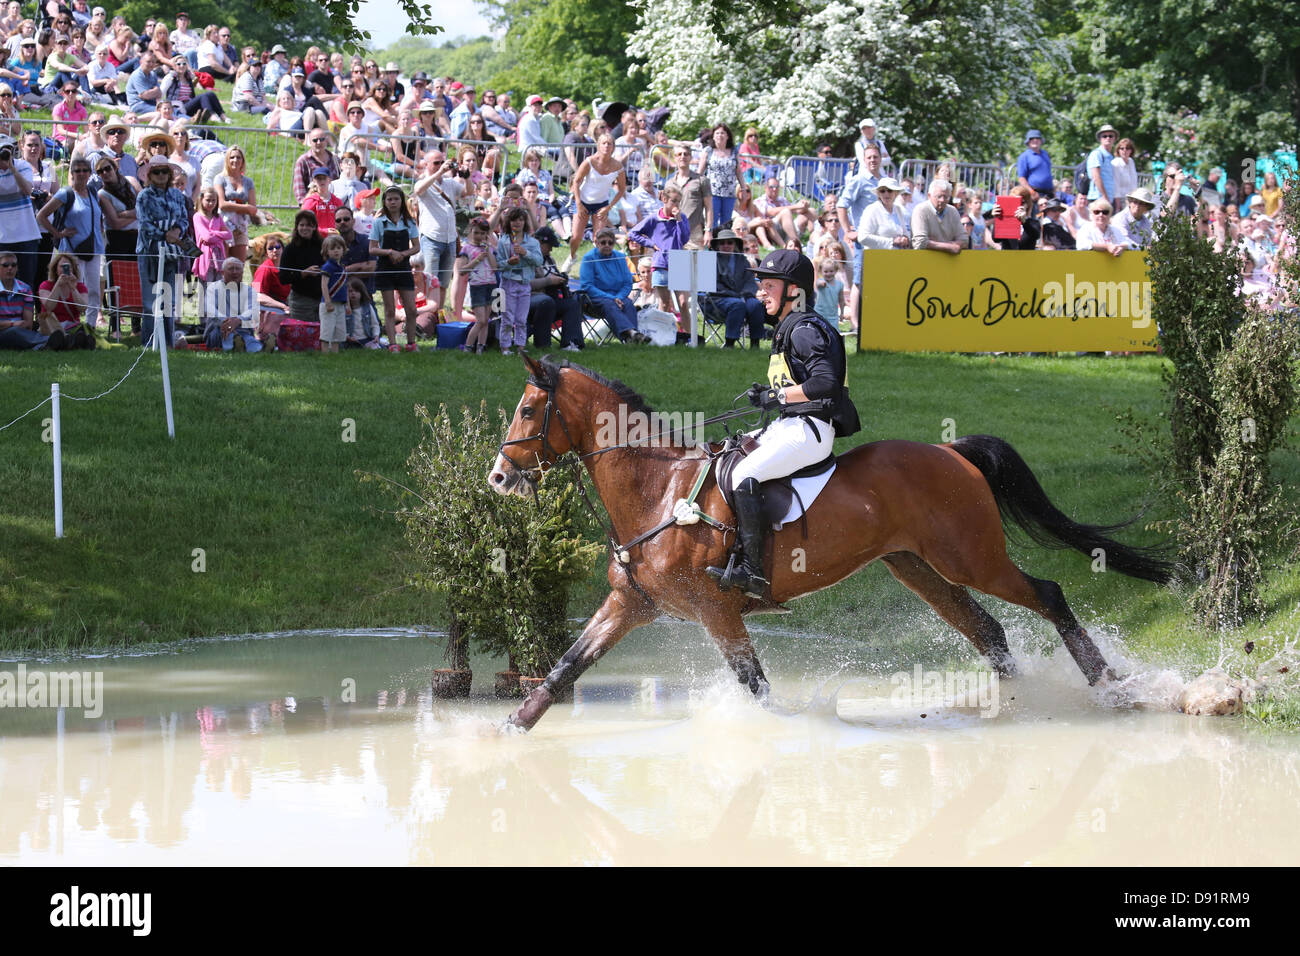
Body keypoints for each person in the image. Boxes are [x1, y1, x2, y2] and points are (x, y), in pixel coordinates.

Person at [706, 250, 859, 598]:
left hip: (810, 431)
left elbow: (825, 384)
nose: (761, 292)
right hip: (792, 424)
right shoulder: (791, 326)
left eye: (769, 285)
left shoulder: (804, 329)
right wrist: (773, 394)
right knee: (728, 455)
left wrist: (777, 398)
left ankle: (753, 571)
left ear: (794, 290)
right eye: (761, 285)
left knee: (746, 476)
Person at [36, 155, 105, 328]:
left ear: (90, 173)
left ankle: (90, 327)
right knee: (73, 286)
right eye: (77, 171)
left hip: (94, 248)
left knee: (94, 290)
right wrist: (57, 233)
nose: (81, 174)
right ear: (71, 173)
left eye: (84, 170)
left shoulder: (93, 192)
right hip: (72, 251)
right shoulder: (65, 193)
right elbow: (41, 216)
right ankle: (69, 324)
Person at [135, 154, 191, 347]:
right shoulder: (144, 196)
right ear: (150, 174)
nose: (160, 175)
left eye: (164, 171)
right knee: (151, 301)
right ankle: (149, 343)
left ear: (169, 174)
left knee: (169, 299)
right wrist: (164, 234)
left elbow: (184, 219)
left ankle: (167, 343)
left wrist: (177, 231)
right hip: (149, 251)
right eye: (156, 172)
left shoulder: (177, 195)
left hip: (172, 252)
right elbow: (144, 224)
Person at [411, 149, 462, 321]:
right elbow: (417, 190)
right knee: (429, 282)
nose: (441, 166)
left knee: (443, 283)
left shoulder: (449, 182)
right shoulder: (424, 182)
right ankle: (425, 319)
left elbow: (466, 191)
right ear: (426, 165)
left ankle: (437, 318)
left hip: (450, 239)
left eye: (442, 162)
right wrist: (439, 173)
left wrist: (466, 175)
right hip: (432, 238)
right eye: (436, 163)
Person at [369, 184, 420, 352]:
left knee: (411, 309)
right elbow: (372, 248)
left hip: (404, 267)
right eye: (389, 199)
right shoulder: (378, 222)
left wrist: (403, 254)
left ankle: (411, 343)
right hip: (385, 268)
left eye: (396, 199)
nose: (393, 202)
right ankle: (392, 344)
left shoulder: (409, 222)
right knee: (390, 309)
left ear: (401, 201)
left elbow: (416, 247)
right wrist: (389, 252)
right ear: (384, 202)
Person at [628, 182, 690, 317]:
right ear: (664, 199)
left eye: (679, 202)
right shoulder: (654, 218)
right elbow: (633, 233)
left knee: (683, 303)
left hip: (680, 262)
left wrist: (679, 220)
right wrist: (650, 243)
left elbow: (684, 239)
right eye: (674, 201)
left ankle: (690, 336)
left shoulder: (682, 217)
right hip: (661, 262)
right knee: (665, 303)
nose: (676, 205)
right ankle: (663, 335)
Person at [579, 227, 649, 344]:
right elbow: (587, 286)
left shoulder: (621, 257)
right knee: (610, 304)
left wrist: (619, 297)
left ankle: (631, 338)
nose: (607, 245)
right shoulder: (588, 258)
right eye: (603, 242)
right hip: (594, 301)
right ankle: (632, 334)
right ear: (596, 243)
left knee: (628, 304)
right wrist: (613, 298)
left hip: (618, 298)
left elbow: (627, 283)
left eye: (610, 243)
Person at [699, 228, 765, 349]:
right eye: (722, 243)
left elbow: (750, 282)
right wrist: (735, 296)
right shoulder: (709, 260)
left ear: (735, 244)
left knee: (755, 305)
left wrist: (744, 294)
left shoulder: (743, 260)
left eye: (729, 242)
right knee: (737, 305)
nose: (726, 245)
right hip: (716, 300)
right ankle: (730, 343)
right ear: (717, 245)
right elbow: (712, 286)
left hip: (742, 296)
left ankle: (755, 343)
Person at [567, 132, 626, 265]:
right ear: (598, 146)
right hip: (583, 201)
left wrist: (608, 207)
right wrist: (578, 203)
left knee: (599, 238)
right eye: (603, 143)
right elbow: (576, 181)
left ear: (613, 147)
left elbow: (622, 189)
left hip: (602, 204)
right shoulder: (589, 161)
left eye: (609, 143)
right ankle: (572, 257)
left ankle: (597, 265)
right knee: (576, 236)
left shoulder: (618, 166)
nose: (606, 146)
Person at [495, 206, 542, 356]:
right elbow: (498, 265)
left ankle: (521, 346)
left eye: (520, 220)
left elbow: (539, 261)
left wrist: (525, 253)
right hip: (508, 283)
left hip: (524, 284)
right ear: (508, 222)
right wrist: (509, 262)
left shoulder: (532, 243)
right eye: (514, 220)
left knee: (521, 318)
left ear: (525, 222)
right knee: (507, 317)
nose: (517, 223)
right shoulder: (503, 242)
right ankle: (505, 347)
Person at [528, 225, 582, 351]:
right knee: (546, 301)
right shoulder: (528, 258)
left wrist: (560, 278)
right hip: (532, 299)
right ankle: (542, 345)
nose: (551, 250)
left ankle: (570, 343)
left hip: (551, 298)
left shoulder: (549, 259)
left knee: (573, 304)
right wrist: (549, 281)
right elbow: (526, 284)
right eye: (549, 246)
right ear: (539, 243)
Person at [0, 132, 42, 291]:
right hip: (2, 237)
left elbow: (26, 190)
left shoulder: (22, 165)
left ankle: (27, 315)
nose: (5, 155)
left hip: (26, 235)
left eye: (8, 151)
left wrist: (11, 168)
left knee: (26, 283)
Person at [1, 249, 66, 350]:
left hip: (21, 330)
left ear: (17, 268)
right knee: (14, 332)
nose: (10, 268)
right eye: (5, 265)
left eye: (13, 265)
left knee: (19, 333)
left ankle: (46, 345)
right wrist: (12, 324)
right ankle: (54, 341)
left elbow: (28, 323)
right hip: (7, 331)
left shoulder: (25, 289)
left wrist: (19, 325)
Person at [203, 255, 261, 352]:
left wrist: (238, 320)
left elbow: (251, 310)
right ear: (222, 272)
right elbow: (209, 309)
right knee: (226, 335)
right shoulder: (213, 288)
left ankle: (253, 347)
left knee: (250, 341)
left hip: (242, 330)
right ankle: (236, 346)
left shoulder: (249, 291)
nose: (235, 272)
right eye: (231, 269)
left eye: (237, 269)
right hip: (219, 329)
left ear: (242, 272)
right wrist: (227, 322)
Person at [37, 252, 95, 347]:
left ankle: (71, 340)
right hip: (52, 326)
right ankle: (71, 341)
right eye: (62, 266)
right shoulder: (46, 285)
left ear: (73, 269)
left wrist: (73, 288)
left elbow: (83, 308)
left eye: (69, 267)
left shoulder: (80, 287)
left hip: (71, 326)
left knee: (77, 332)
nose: (65, 269)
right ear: (55, 269)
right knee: (58, 335)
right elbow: (49, 306)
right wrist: (58, 285)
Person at [457, 216, 497, 353]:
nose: (479, 236)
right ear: (470, 231)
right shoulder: (466, 249)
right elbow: (462, 271)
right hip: (477, 286)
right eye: (476, 233)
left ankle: (481, 346)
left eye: (483, 233)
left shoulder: (489, 248)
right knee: (480, 320)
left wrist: (488, 251)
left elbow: (495, 267)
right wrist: (477, 260)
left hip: (490, 284)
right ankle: (468, 346)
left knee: (486, 320)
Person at [279, 208, 324, 324]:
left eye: (309, 225)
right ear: (297, 227)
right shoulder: (290, 249)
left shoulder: (323, 245)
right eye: (301, 225)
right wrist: (304, 273)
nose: (305, 228)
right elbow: (283, 278)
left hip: (322, 298)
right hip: (301, 300)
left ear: (314, 227)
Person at [214, 146, 257, 262]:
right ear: (227, 160)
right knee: (223, 265)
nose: (235, 160)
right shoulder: (220, 179)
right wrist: (245, 207)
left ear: (243, 161)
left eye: (238, 157)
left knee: (238, 266)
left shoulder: (248, 182)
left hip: (241, 228)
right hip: (224, 226)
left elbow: (253, 209)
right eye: (232, 157)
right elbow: (221, 204)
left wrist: (234, 206)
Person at [699, 123, 741, 232]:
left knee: (726, 222)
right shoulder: (708, 151)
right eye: (717, 133)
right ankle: (710, 244)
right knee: (711, 220)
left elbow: (738, 171)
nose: (720, 135)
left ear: (727, 136)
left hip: (729, 192)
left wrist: (743, 187)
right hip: (712, 192)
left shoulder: (733, 151)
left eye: (723, 133)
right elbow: (700, 171)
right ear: (713, 136)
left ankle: (723, 245)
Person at [911, 179, 965, 253]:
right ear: (929, 195)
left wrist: (934, 244)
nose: (942, 200)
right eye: (939, 196)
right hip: (923, 260)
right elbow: (920, 242)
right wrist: (949, 247)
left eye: (946, 197)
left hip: (949, 262)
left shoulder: (953, 211)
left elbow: (964, 239)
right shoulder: (921, 210)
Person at [317, 234, 350, 352]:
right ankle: (325, 353)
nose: (336, 251)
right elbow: (324, 284)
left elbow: (345, 287)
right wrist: (327, 301)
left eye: (339, 248)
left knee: (338, 331)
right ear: (327, 251)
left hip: (340, 304)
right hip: (329, 304)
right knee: (327, 330)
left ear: (343, 249)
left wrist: (348, 304)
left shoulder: (342, 268)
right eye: (332, 248)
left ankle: (335, 354)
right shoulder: (327, 267)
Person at [989, 184, 1041, 250]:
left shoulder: (1033, 223)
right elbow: (996, 239)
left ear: (1027, 204)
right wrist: (998, 219)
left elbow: (1036, 235)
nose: (1018, 206)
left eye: (1021, 202)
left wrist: (1024, 221)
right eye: (1014, 202)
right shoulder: (1006, 222)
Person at [302, 165, 343, 232]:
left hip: (334, 238)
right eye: (319, 179)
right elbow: (305, 224)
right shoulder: (310, 201)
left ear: (330, 180)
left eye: (324, 178)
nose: (322, 181)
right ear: (314, 181)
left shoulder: (337, 201)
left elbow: (342, 221)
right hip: (316, 238)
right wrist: (324, 231)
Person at [1015, 129, 1054, 198]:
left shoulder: (1045, 154)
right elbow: (1021, 178)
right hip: (1035, 194)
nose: (1035, 140)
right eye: (1032, 138)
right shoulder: (1024, 156)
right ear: (1028, 141)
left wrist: (1054, 191)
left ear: (1041, 141)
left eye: (1037, 138)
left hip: (1049, 193)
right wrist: (1031, 192)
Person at [1087, 123, 1118, 205]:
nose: (1108, 138)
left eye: (1111, 136)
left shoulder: (1111, 157)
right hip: (1098, 198)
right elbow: (1096, 176)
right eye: (1104, 136)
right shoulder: (1097, 154)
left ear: (1114, 138)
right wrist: (1105, 197)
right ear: (1100, 139)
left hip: (1108, 198)